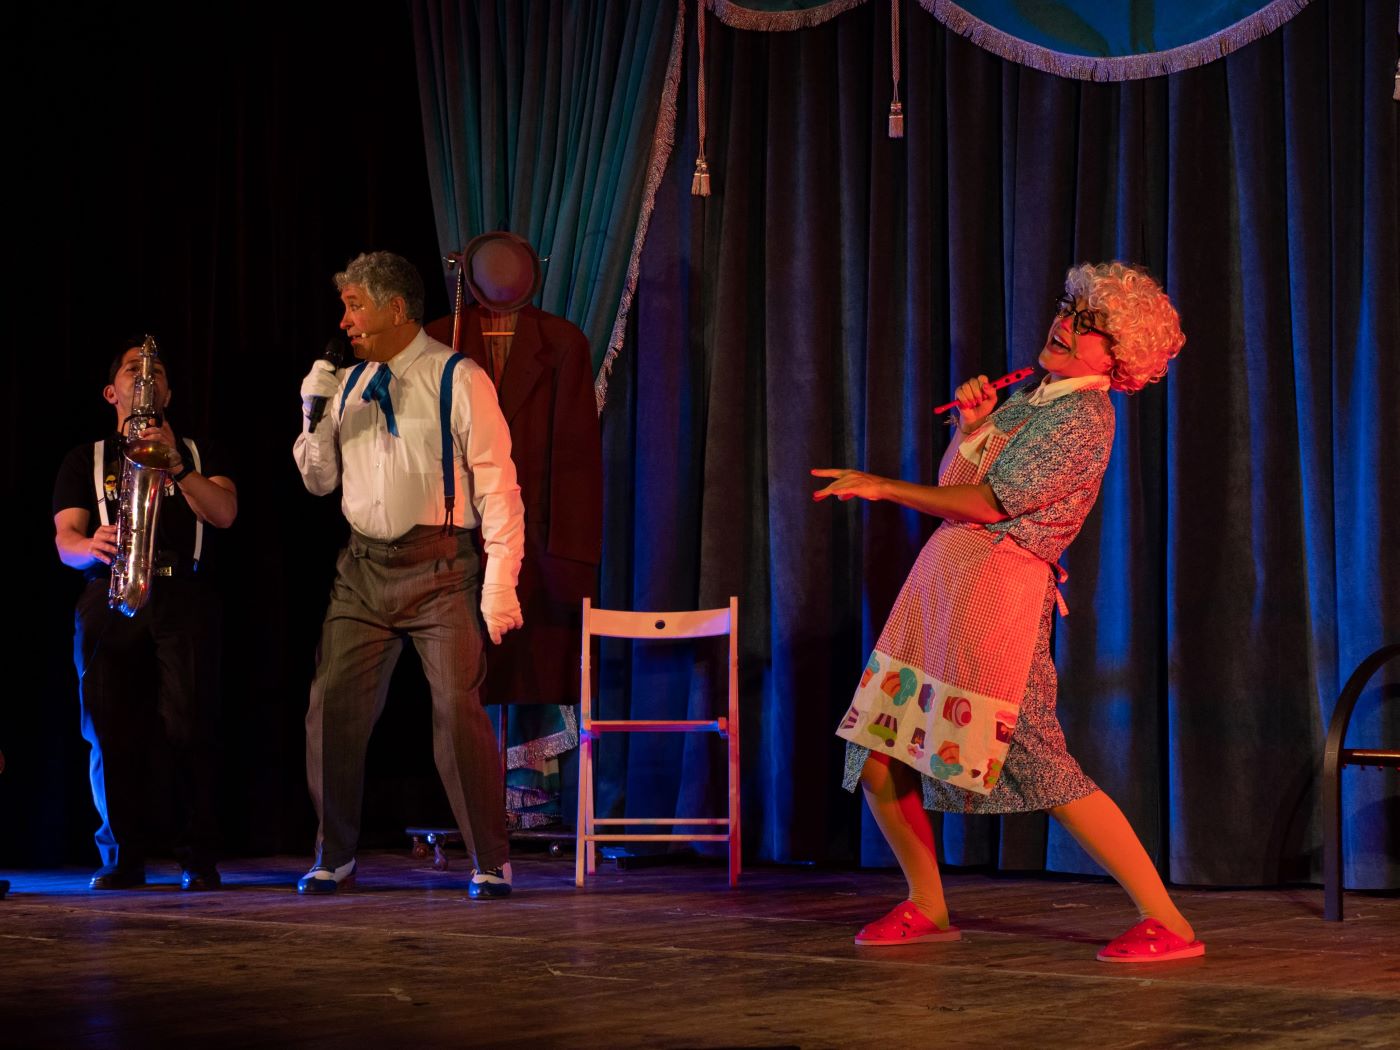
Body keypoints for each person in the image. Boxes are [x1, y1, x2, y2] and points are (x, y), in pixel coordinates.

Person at [813, 262, 1200, 963]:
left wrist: (882, 487)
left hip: (997, 599)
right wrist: (974, 424)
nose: (1065, 325)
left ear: (1116, 358)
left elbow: (989, 505)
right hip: (943, 589)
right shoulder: (1034, 396)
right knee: (877, 747)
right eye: (1068, 309)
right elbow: (957, 483)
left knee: (1041, 765)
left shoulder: (1084, 416)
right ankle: (926, 903)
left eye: (1089, 325)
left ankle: (1166, 920)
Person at [293, 251, 525, 898]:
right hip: (363, 569)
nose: (345, 322)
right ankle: (335, 854)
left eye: (355, 306)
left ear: (396, 309)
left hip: (442, 567)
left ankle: (490, 859)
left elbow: (499, 487)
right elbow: (319, 482)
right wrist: (313, 415)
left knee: (456, 708)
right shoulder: (348, 385)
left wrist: (500, 584)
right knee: (331, 704)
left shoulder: (458, 377)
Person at [427, 231, 602, 828]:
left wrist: (570, 557)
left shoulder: (562, 343)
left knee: (531, 664)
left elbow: (575, 457)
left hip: (535, 538)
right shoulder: (440, 340)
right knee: (459, 669)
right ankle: (469, 804)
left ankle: (526, 803)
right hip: (452, 537)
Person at [53, 340, 238, 891]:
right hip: (110, 592)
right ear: (111, 392)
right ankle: (122, 858)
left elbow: (225, 513)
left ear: (168, 393)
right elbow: (65, 539)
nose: (144, 376)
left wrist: (177, 465)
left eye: (154, 371)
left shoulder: (199, 451)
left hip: (183, 594)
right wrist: (90, 545)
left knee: (190, 725)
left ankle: (196, 857)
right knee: (108, 729)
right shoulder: (84, 458)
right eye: (133, 368)